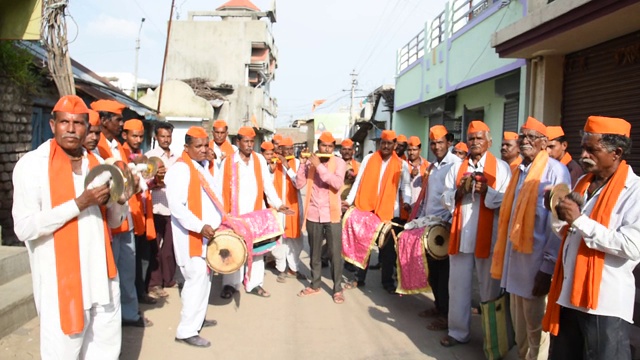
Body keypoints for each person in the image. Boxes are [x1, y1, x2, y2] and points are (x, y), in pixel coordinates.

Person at [12, 95, 128, 359]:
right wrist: (79, 204)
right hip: (60, 282)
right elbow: (24, 228)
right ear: (53, 125)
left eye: (78, 123)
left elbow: (112, 222)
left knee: (106, 350)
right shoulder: (32, 165)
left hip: (103, 277)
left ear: (88, 129)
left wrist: (119, 201)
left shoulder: (98, 165)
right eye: (65, 122)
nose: (72, 129)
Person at [543, 116, 640, 360]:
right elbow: (568, 235)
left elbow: (632, 246)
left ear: (616, 152)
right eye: (583, 147)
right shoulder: (582, 183)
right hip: (569, 297)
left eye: (592, 149)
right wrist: (556, 211)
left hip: (605, 305)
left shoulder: (635, 192)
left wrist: (579, 220)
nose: (584, 154)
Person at [490, 117, 570, 359]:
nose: (525, 141)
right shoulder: (519, 171)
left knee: (537, 333)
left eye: (531, 137)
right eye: (523, 136)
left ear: (544, 142)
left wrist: (546, 269)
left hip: (536, 268)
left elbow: (559, 226)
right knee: (520, 333)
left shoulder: (556, 172)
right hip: (514, 265)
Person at [440, 121, 510, 346]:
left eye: (479, 138)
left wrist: (487, 191)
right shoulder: (456, 168)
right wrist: (459, 191)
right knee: (458, 286)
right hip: (461, 235)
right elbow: (445, 198)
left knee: (489, 289)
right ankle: (457, 332)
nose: (475, 142)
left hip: (488, 237)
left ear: (489, 141)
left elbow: (507, 200)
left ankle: (492, 339)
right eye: (471, 138)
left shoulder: (501, 168)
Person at [92, 100, 153, 327]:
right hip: (107, 218)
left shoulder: (117, 146)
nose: (120, 124)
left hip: (124, 215)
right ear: (105, 120)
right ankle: (112, 317)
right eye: (118, 120)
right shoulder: (97, 147)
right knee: (110, 273)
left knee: (127, 270)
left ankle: (128, 313)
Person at [165, 126, 221, 348]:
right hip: (191, 236)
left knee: (204, 278)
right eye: (198, 146)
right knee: (195, 277)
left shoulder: (201, 167)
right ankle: (186, 330)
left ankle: (197, 319)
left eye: (205, 145)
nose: (203, 150)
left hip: (205, 235)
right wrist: (200, 226)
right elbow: (176, 207)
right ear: (186, 148)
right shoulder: (180, 170)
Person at [219, 126, 289, 299]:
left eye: (252, 142)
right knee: (235, 250)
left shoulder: (258, 160)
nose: (250, 145)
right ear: (238, 142)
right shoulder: (228, 162)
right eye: (246, 141)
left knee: (258, 251)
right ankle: (230, 285)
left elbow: (267, 185)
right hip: (235, 215)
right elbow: (220, 189)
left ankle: (255, 283)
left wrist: (278, 204)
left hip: (256, 215)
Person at [344, 130, 411, 292]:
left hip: (389, 212)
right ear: (380, 143)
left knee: (387, 250)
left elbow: (406, 186)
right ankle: (359, 278)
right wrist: (348, 200)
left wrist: (407, 202)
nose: (386, 146)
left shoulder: (402, 165)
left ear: (395, 145)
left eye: (389, 143)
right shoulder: (369, 159)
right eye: (383, 143)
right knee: (363, 245)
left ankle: (387, 282)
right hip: (367, 210)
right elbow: (358, 181)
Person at [411, 126, 462, 328]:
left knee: (444, 274)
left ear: (448, 142)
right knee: (432, 271)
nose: (436, 146)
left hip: (446, 226)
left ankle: (447, 315)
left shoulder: (456, 164)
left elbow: (456, 197)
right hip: (429, 225)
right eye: (433, 143)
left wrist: (449, 223)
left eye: (440, 142)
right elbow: (428, 197)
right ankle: (438, 306)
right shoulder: (432, 167)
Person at [295, 131, 349, 303]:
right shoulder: (311, 162)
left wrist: (318, 166)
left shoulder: (339, 163)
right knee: (315, 253)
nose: (326, 149)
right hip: (313, 214)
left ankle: (337, 289)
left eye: (330, 146)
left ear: (333, 148)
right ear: (318, 146)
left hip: (332, 214)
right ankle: (315, 284)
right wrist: (303, 165)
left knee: (334, 254)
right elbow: (299, 184)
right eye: (324, 145)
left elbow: (337, 183)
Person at [121, 119, 158, 306]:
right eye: (134, 136)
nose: (137, 139)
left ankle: (142, 291)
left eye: (140, 136)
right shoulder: (121, 156)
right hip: (129, 214)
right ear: (124, 135)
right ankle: (133, 297)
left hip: (144, 213)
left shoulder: (141, 155)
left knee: (144, 256)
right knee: (131, 261)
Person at [145, 121, 179, 298]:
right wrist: (153, 184)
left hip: (172, 208)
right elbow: (142, 182)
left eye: (168, 136)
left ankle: (168, 278)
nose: (165, 140)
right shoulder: (149, 156)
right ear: (156, 137)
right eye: (162, 136)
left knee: (170, 247)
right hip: (156, 207)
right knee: (154, 248)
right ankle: (154, 283)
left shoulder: (176, 157)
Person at [271, 137, 304, 282]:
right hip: (278, 207)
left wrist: (288, 167)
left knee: (294, 240)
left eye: (291, 149)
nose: (289, 151)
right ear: (280, 150)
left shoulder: (297, 163)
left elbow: (298, 184)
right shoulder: (273, 164)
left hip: (294, 205)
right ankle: (281, 269)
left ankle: (294, 268)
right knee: (279, 239)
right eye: (286, 149)